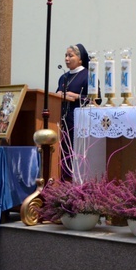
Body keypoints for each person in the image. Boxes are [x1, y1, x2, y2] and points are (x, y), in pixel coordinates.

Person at [55, 43, 89, 180]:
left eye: (70, 55)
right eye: (66, 55)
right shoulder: (63, 77)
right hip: (62, 122)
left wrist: (76, 96)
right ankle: (63, 183)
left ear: (80, 59)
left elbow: (96, 100)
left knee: (76, 154)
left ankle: (77, 182)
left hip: (77, 122)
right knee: (63, 154)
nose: (66, 59)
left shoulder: (87, 75)